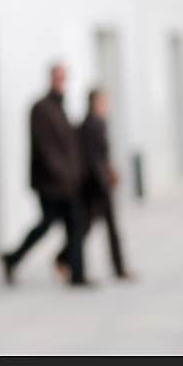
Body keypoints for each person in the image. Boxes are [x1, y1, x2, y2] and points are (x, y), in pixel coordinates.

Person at [1, 63, 90, 287]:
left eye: (64, 78)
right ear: (50, 78)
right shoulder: (40, 108)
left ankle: (74, 273)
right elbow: (45, 148)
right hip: (51, 184)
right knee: (54, 224)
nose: (62, 82)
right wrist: (64, 175)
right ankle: (14, 258)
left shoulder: (61, 107)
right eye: (58, 77)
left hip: (65, 182)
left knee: (69, 224)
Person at [64, 89, 134, 280]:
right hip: (95, 186)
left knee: (92, 226)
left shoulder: (95, 123)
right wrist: (105, 179)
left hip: (98, 183)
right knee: (91, 227)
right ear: (95, 102)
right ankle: (66, 260)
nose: (106, 106)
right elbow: (93, 159)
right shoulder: (91, 125)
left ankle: (65, 258)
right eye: (103, 102)